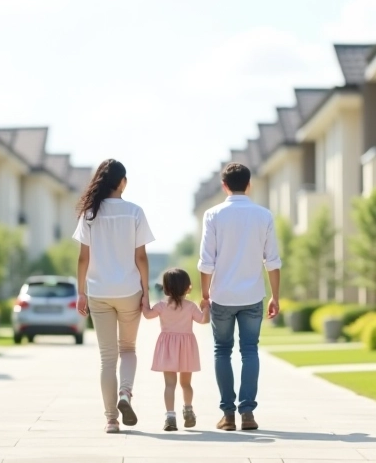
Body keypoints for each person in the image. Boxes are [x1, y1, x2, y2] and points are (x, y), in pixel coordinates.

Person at [73, 159, 155, 434]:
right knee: (128, 349)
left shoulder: (89, 214)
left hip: (98, 292)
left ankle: (111, 420)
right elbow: (141, 257)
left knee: (107, 358)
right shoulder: (134, 212)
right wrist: (146, 293)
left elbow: (83, 258)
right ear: (122, 182)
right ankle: (125, 394)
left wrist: (81, 292)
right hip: (129, 290)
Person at [198, 162, 281, 432]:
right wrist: (275, 296)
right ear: (249, 184)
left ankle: (228, 415)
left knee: (222, 351)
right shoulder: (263, 215)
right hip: (253, 295)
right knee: (250, 351)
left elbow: (206, 261)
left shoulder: (213, 215)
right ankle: (247, 413)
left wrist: (205, 294)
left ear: (224, 186)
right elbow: (272, 261)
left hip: (222, 295)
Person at [142, 268, 210, 432]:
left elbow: (147, 315)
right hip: (186, 348)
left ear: (166, 288)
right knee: (186, 384)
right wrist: (206, 307)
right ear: (187, 287)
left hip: (168, 348)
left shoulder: (162, 306)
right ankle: (188, 409)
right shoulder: (191, 306)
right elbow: (204, 320)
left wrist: (144, 300)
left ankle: (170, 417)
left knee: (169, 384)